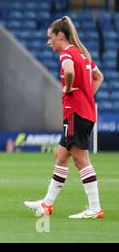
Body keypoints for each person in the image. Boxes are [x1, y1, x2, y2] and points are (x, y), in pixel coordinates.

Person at [24, 16, 105, 219]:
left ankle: (95, 208)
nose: (49, 42)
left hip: (76, 114)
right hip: (83, 112)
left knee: (81, 161)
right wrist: (86, 96)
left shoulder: (66, 54)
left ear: (60, 36)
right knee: (60, 156)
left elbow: (68, 70)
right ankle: (46, 205)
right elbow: (99, 77)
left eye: (50, 37)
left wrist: (69, 88)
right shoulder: (83, 55)